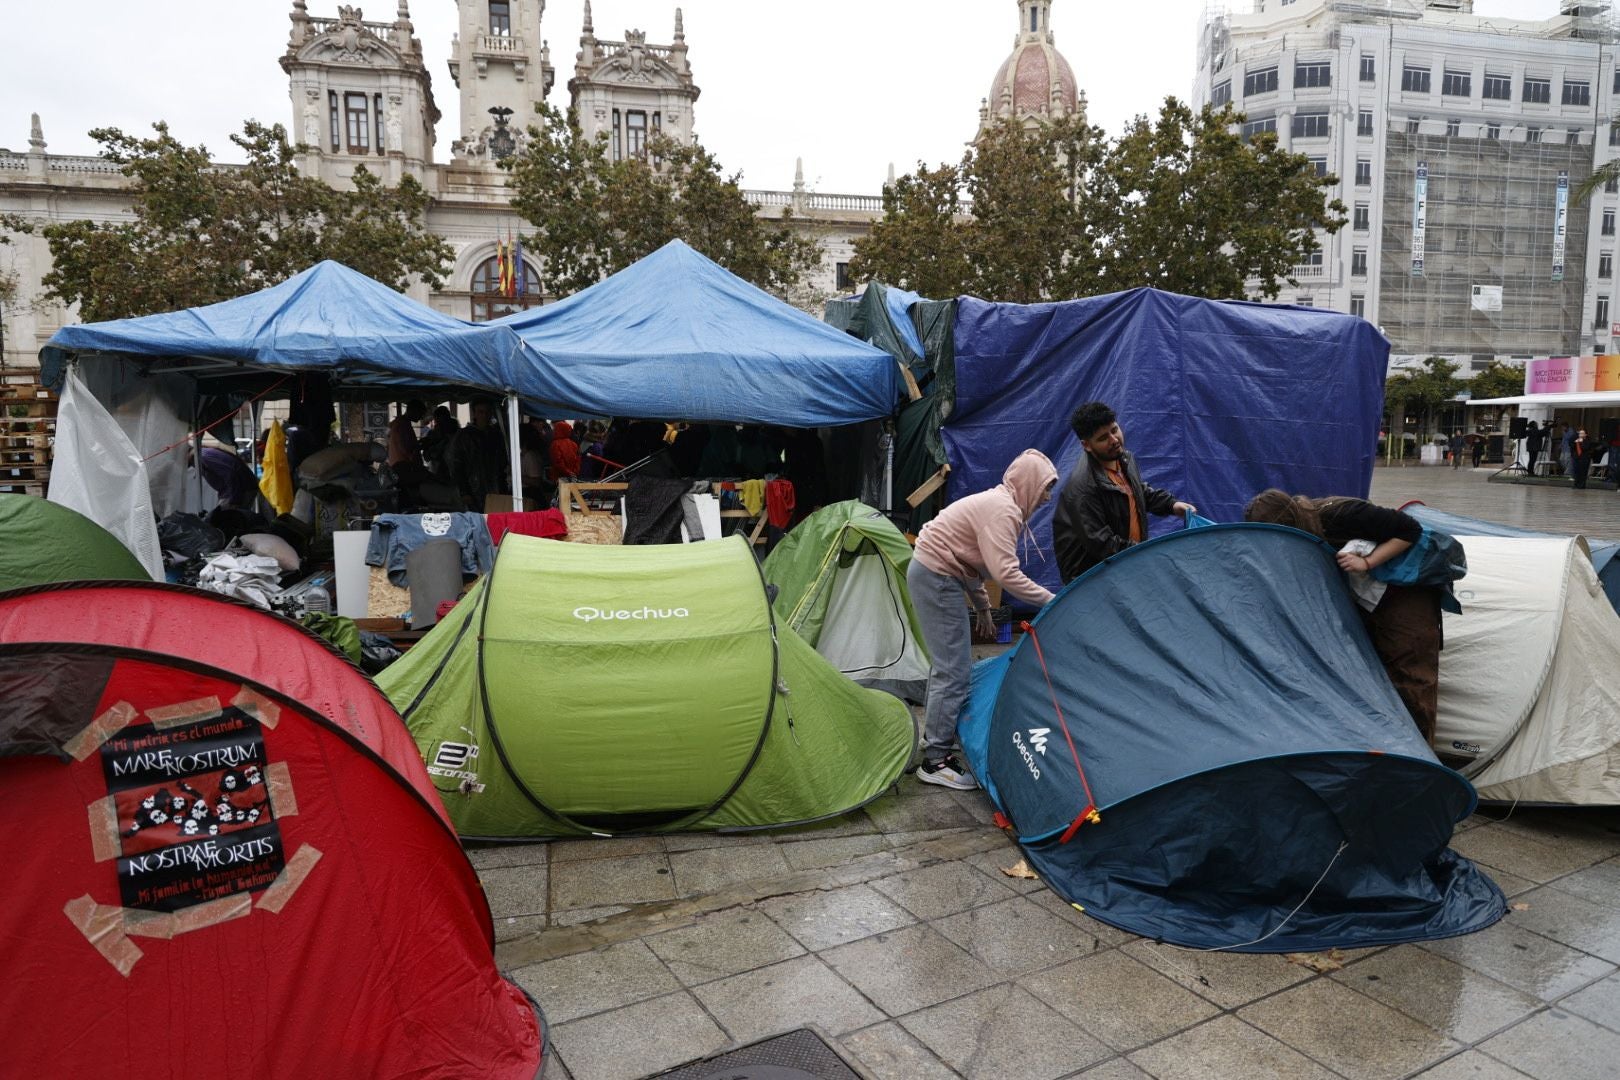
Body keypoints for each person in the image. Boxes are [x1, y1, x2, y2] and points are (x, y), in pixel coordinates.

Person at [909, 450, 1060, 790]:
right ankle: (936, 761)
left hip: (935, 572)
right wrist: (1054, 599)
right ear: (1029, 484)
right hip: (936, 576)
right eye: (1045, 487)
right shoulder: (1003, 511)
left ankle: (935, 745)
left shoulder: (1002, 504)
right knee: (954, 670)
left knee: (947, 666)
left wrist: (982, 609)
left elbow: (969, 561)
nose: (1047, 496)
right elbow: (1004, 573)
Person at [1244, 490, 1441, 742]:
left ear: (1288, 524)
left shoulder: (1342, 514)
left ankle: (1420, 758)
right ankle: (1387, 748)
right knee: (1375, 672)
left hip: (1405, 592)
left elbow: (1410, 529)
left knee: (1411, 677)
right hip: (1368, 597)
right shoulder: (1299, 535)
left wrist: (1367, 562)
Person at [1051, 401, 1197, 584]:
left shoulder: (1123, 459)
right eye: (1103, 438)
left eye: (1114, 429)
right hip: (1091, 582)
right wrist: (1146, 553)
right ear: (1086, 445)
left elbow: (1137, 492)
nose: (1114, 440)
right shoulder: (1083, 489)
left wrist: (1172, 505)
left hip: (1124, 565)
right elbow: (1102, 544)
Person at [445, 399, 508, 510]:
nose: (484, 415)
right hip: (472, 489)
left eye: (487, 412)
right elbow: (456, 466)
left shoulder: (496, 435)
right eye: (480, 412)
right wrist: (464, 491)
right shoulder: (464, 436)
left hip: (495, 488)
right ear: (474, 413)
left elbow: (502, 463)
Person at [419, 405, 460, 478]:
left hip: (441, 470)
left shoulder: (434, 434)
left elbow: (427, 456)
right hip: (451, 471)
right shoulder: (457, 433)